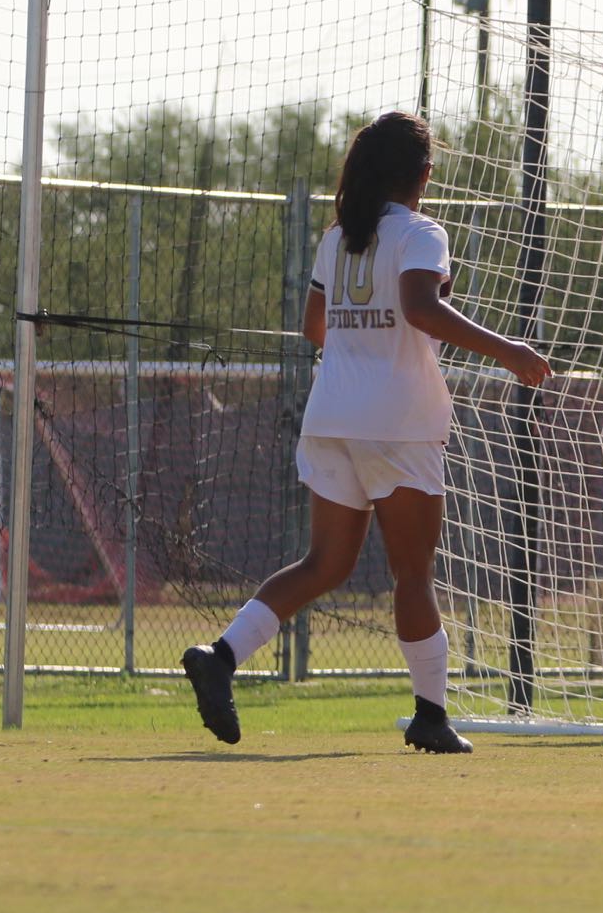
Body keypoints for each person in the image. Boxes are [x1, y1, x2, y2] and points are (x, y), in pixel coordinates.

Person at [181, 112, 551, 753]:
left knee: (324, 564)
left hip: (332, 417)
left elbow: (315, 328)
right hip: (397, 426)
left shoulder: (338, 238)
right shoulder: (421, 232)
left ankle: (220, 656)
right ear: (422, 175)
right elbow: (419, 307)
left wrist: (361, 336)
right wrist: (510, 351)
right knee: (413, 573)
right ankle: (431, 716)